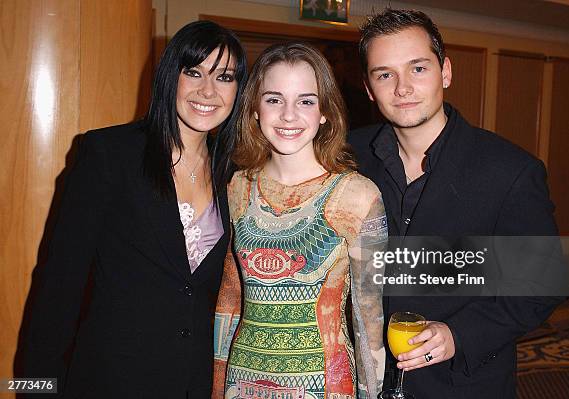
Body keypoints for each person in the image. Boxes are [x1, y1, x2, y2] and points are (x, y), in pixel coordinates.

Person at [21, 20, 247, 398]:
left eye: (224, 77)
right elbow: (58, 286)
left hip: (193, 384)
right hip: (109, 379)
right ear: (169, 76)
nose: (208, 90)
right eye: (194, 72)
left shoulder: (236, 177)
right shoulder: (110, 154)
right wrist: (34, 389)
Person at [348, 8, 563, 398]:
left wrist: (458, 334)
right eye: (385, 74)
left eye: (418, 68)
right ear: (368, 87)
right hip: (361, 382)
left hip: (462, 385)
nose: (402, 88)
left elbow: (540, 285)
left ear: (445, 71)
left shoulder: (511, 171)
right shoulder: (347, 156)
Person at [213, 43, 387, 399]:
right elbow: (229, 299)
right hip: (241, 381)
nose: (288, 115)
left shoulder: (358, 196)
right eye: (274, 99)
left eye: (306, 101)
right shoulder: (237, 187)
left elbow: (369, 321)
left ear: (324, 111)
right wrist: (216, 388)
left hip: (325, 385)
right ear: (255, 110)